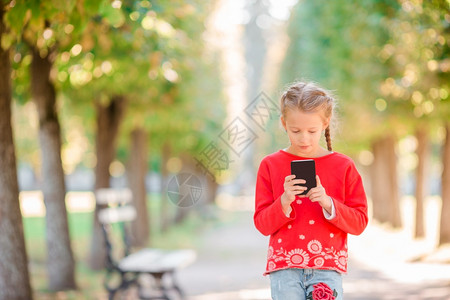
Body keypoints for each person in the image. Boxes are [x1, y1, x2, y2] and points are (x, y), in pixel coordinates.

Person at [254, 81, 368, 300]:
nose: (303, 138)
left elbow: (359, 222)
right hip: (284, 268)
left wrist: (328, 203)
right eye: (296, 130)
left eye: (312, 130)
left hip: (327, 268)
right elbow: (261, 223)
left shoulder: (343, 166)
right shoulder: (270, 165)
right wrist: (284, 200)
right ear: (283, 123)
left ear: (325, 124)